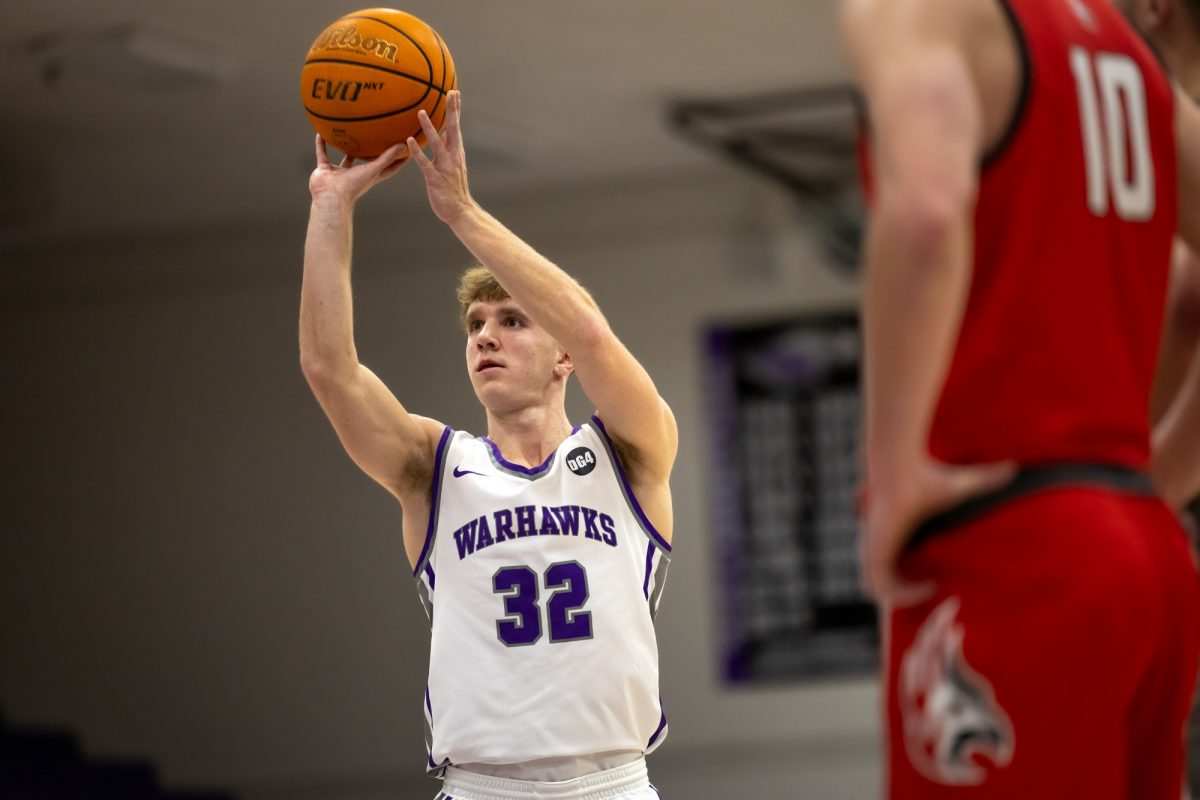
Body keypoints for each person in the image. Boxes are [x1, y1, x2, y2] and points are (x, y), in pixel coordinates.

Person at [841, 0, 1200, 796]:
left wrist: (893, 469)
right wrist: (1165, 476)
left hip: (1010, 540)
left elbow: (927, 217)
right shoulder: (1123, 47)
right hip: (1144, 553)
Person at [298, 90, 677, 800]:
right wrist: (330, 204)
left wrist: (461, 212)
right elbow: (329, 370)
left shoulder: (629, 450)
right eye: (475, 324)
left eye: (512, 321)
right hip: (481, 788)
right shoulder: (435, 467)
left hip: (615, 785)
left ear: (562, 358)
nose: (485, 336)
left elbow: (592, 331)